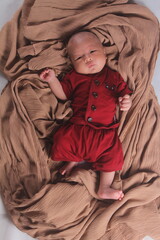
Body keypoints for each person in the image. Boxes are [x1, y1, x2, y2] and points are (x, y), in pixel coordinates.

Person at [40, 30, 132, 200]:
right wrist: (52, 80)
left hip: (105, 132)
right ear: (72, 63)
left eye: (92, 52)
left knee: (114, 155)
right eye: (79, 58)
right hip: (78, 127)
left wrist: (126, 102)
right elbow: (63, 95)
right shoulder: (74, 77)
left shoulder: (113, 76)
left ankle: (104, 188)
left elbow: (124, 94)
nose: (87, 59)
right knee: (62, 139)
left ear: (104, 53)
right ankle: (73, 160)